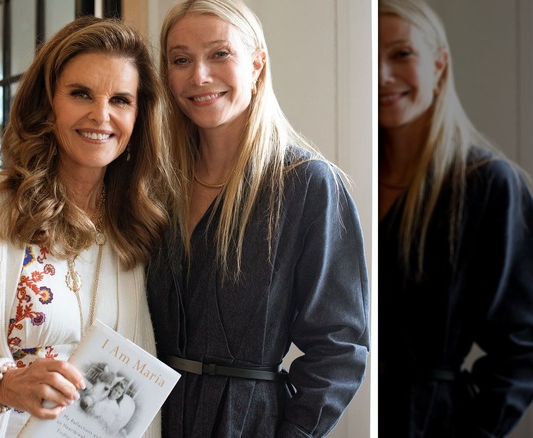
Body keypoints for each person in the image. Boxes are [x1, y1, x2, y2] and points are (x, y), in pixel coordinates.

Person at [145, 0, 370, 436]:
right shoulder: (154, 186)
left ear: (257, 64)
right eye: (180, 60)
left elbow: (339, 346)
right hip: (148, 419)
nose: (199, 76)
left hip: (248, 423)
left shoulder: (308, 185)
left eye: (219, 54)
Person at [0, 16, 175, 438]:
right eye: (81, 94)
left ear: (139, 114)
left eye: (120, 100)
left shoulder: (140, 225)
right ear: (47, 103)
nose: (101, 115)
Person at [377, 0, 533, 436]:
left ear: (439, 65)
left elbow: (522, 349)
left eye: (401, 54)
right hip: (346, 414)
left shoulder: (490, 184)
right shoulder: (346, 179)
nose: (382, 75)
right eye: (371, 57)